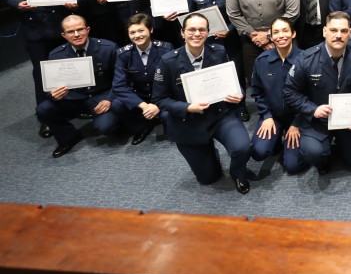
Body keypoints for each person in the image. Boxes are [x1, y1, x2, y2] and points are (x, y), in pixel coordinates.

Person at [0, 0, 85, 139]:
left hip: (65, 27)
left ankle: (71, 107)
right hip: (36, 27)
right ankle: (46, 117)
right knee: (42, 74)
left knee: (69, 67)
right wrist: (18, 4)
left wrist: (76, 1)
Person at [152, 13, 252, 194]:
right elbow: (159, 100)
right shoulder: (168, 61)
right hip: (188, 120)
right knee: (208, 178)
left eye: (201, 30)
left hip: (219, 114)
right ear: (182, 33)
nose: (196, 34)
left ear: (208, 33)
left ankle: (238, 172)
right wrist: (186, 107)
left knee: (242, 147)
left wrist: (240, 94)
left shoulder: (219, 52)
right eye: (191, 29)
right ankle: (209, 153)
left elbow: (232, 83)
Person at [283, 11, 351, 174]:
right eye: (334, 30)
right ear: (325, 31)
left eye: (343, 31)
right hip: (317, 120)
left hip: (348, 121)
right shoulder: (306, 59)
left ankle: (341, 144)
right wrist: (313, 110)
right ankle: (325, 156)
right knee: (313, 153)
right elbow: (290, 92)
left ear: (350, 33)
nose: (338, 35)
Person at [36, 14, 119, 157]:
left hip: (101, 96)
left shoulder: (108, 48)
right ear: (63, 35)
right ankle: (68, 137)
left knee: (106, 127)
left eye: (80, 29)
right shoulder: (55, 55)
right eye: (70, 32)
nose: (76, 34)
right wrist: (53, 96)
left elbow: (121, 79)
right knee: (43, 109)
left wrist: (109, 99)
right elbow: (50, 87)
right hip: (73, 98)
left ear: (88, 29)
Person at [249, 17, 305, 171]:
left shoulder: (306, 60)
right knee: (258, 152)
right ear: (271, 37)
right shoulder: (262, 60)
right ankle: (277, 140)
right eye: (276, 32)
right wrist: (266, 116)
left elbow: (312, 96)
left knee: (292, 166)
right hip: (273, 116)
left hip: (298, 117)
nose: (281, 36)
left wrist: (297, 123)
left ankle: (292, 142)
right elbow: (257, 92)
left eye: (285, 31)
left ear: (293, 34)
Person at [112, 13, 173, 145]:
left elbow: (173, 81)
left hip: (162, 96)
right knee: (117, 104)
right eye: (132, 32)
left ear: (150, 30)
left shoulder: (165, 49)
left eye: (141, 30)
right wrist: (144, 106)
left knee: (167, 118)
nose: (137, 35)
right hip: (139, 98)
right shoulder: (123, 54)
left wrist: (158, 104)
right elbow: (119, 86)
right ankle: (141, 127)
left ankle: (166, 124)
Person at [187, 0, 243, 88]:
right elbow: (191, 16)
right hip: (207, 42)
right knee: (212, 80)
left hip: (232, 40)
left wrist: (229, 30)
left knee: (236, 76)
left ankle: (240, 108)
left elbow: (243, 12)